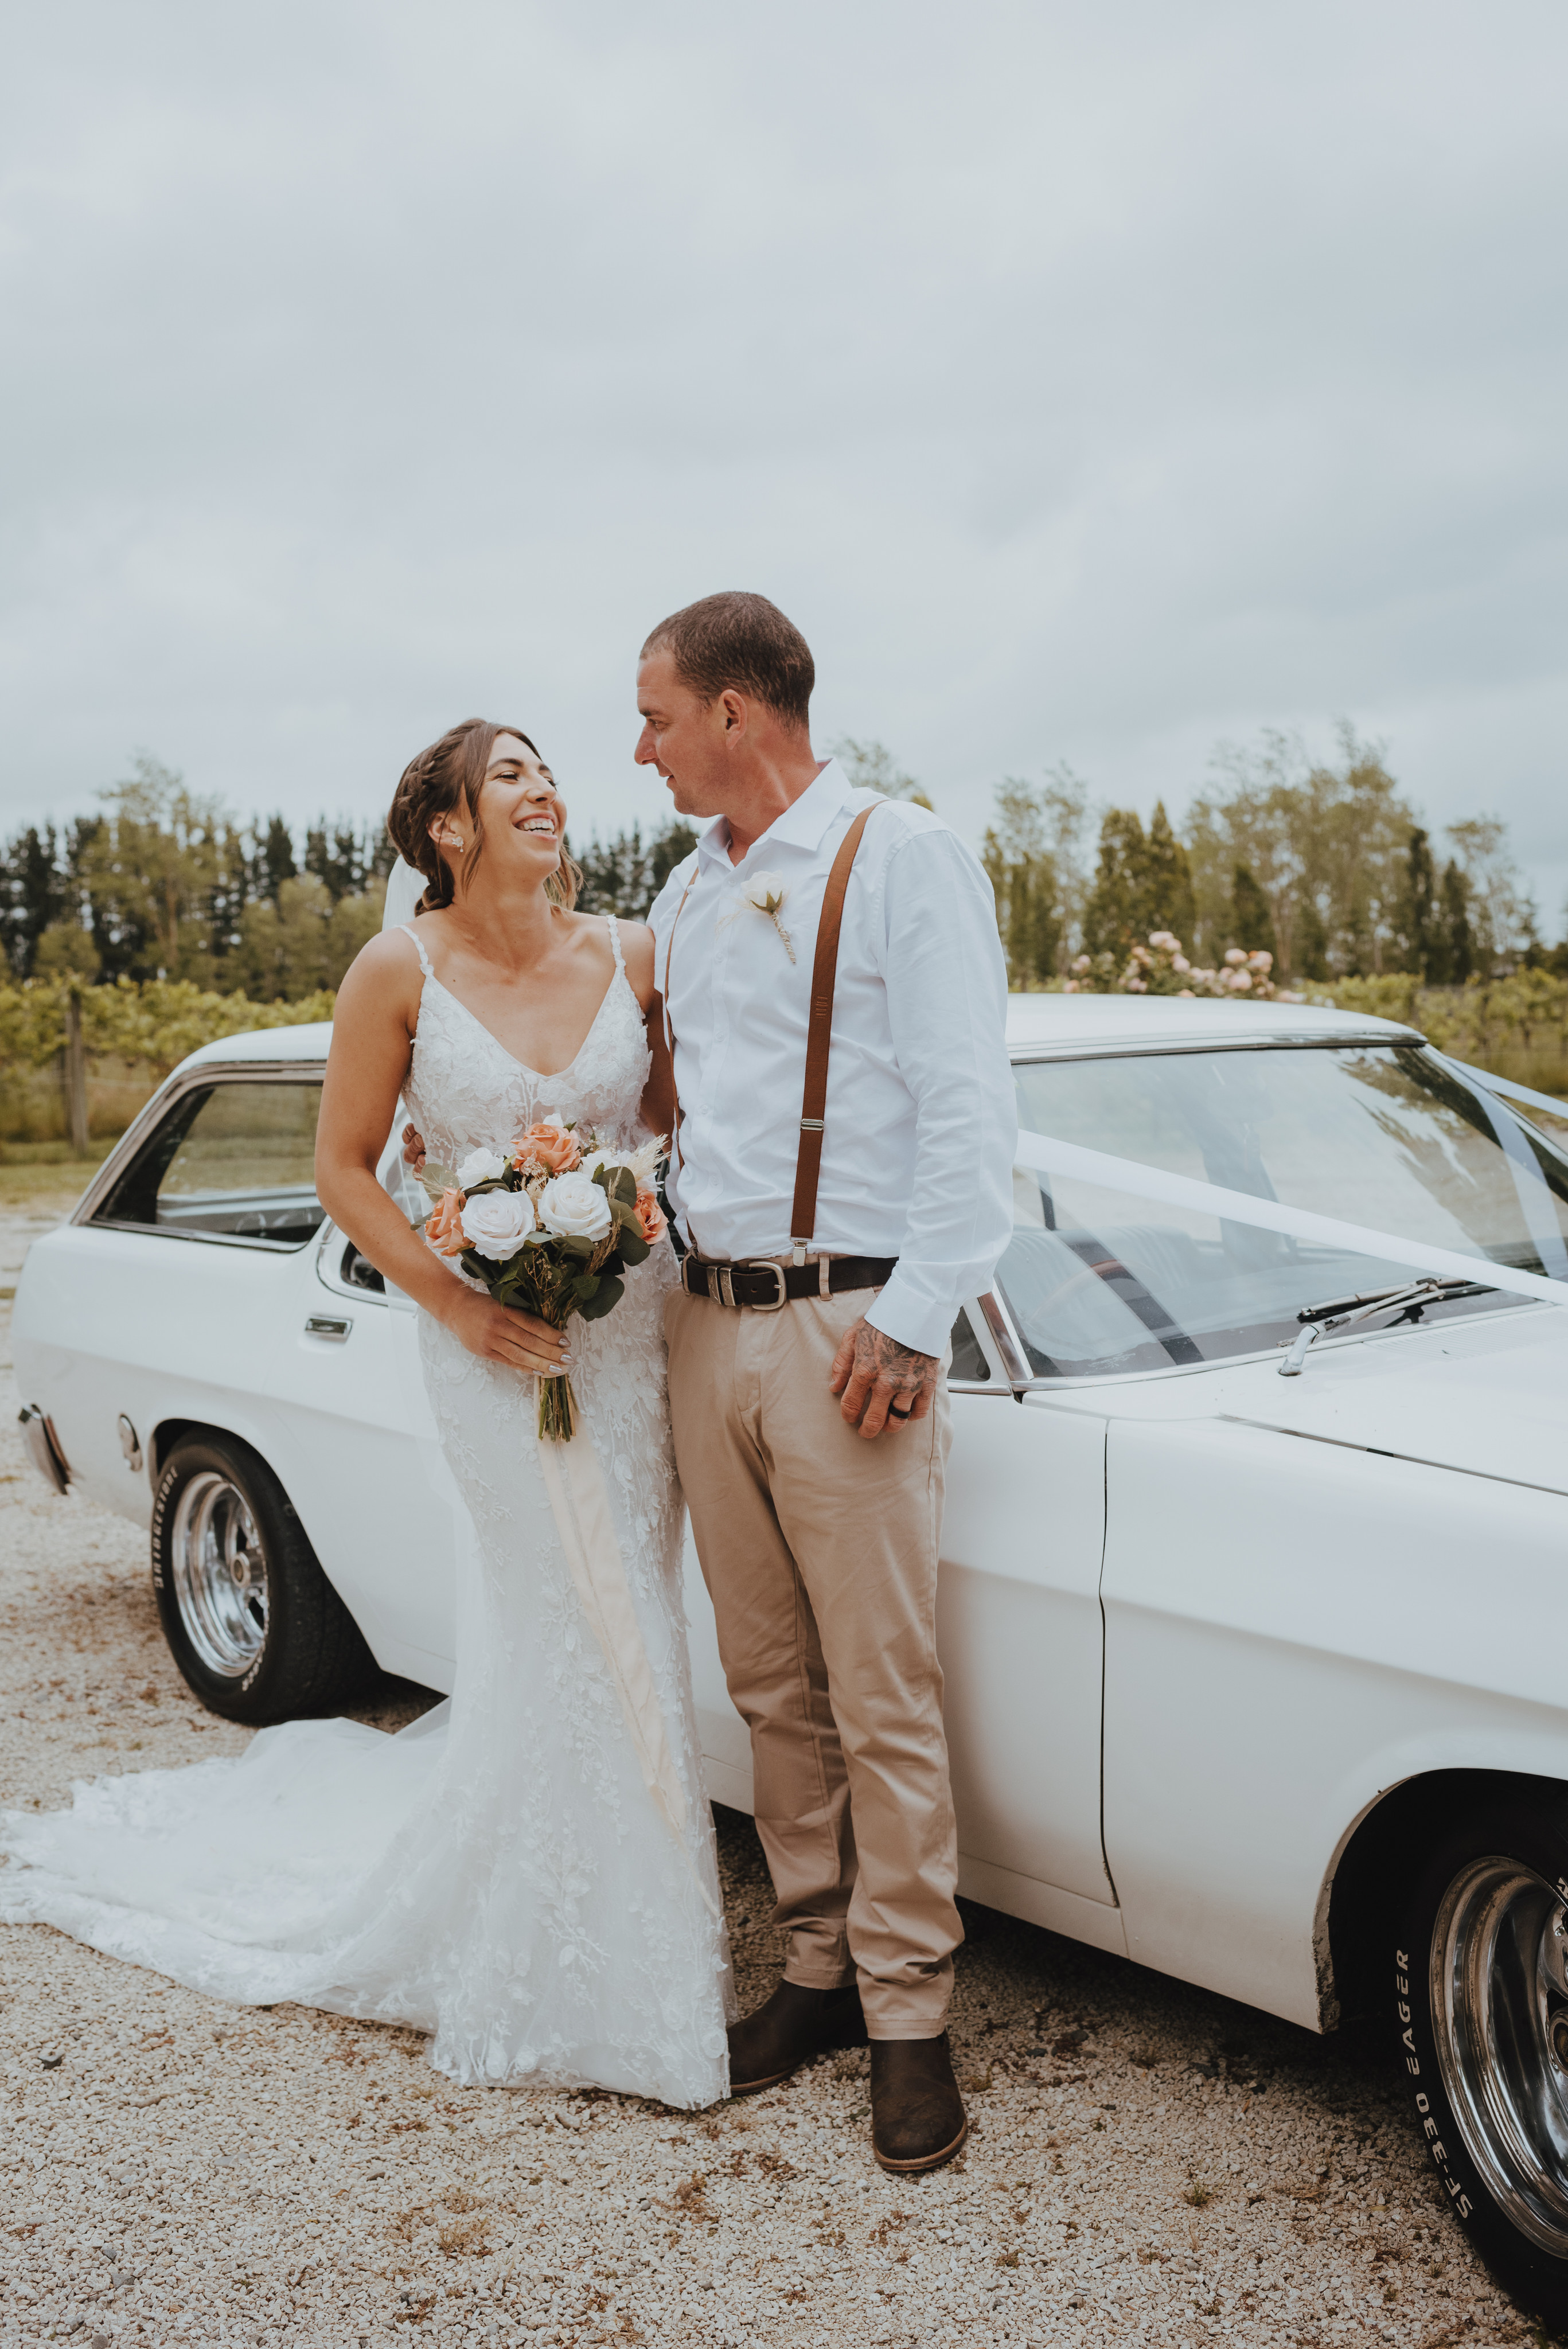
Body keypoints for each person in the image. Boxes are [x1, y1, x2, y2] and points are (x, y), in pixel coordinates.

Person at [0, 719, 732, 2108]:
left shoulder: (633, 951)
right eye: (507, 775)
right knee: (563, 1619)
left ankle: (633, 1940)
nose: (543, 789)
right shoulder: (397, 966)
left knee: (631, 1595)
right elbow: (344, 1170)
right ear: (448, 828)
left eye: (544, 772)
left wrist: (619, 1217)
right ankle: (597, 1969)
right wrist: (458, 1302)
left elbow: (672, 1140)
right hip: (484, 1342)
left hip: (627, 1338)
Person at [638, 592, 1016, 2172]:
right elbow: (676, 1113)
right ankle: (811, 1968)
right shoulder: (675, 892)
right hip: (699, 1322)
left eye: (654, 714)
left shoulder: (897, 856)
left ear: (737, 713)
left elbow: (964, 1109)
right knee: (766, 1680)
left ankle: (909, 2013)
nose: (639, 745)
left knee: (879, 1686)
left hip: (847, 1329)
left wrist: (917, 1312)